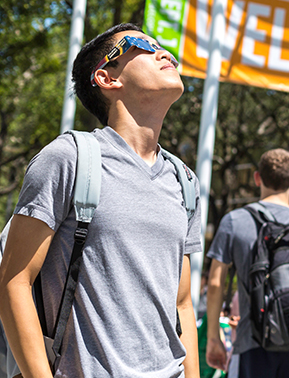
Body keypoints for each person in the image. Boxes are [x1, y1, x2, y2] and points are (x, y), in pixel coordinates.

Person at [0, 23, 201, 376]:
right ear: (107, 79)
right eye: (141, 44)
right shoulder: (69, 158)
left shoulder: (183, 180)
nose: (164, 53)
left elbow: (182, 302)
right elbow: (13, 281)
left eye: (163, 47)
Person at [204, 148, 289, 377]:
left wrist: (213, 337)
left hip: (252, 341)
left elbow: (216, 283)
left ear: (257, 178)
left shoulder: (235, 221)